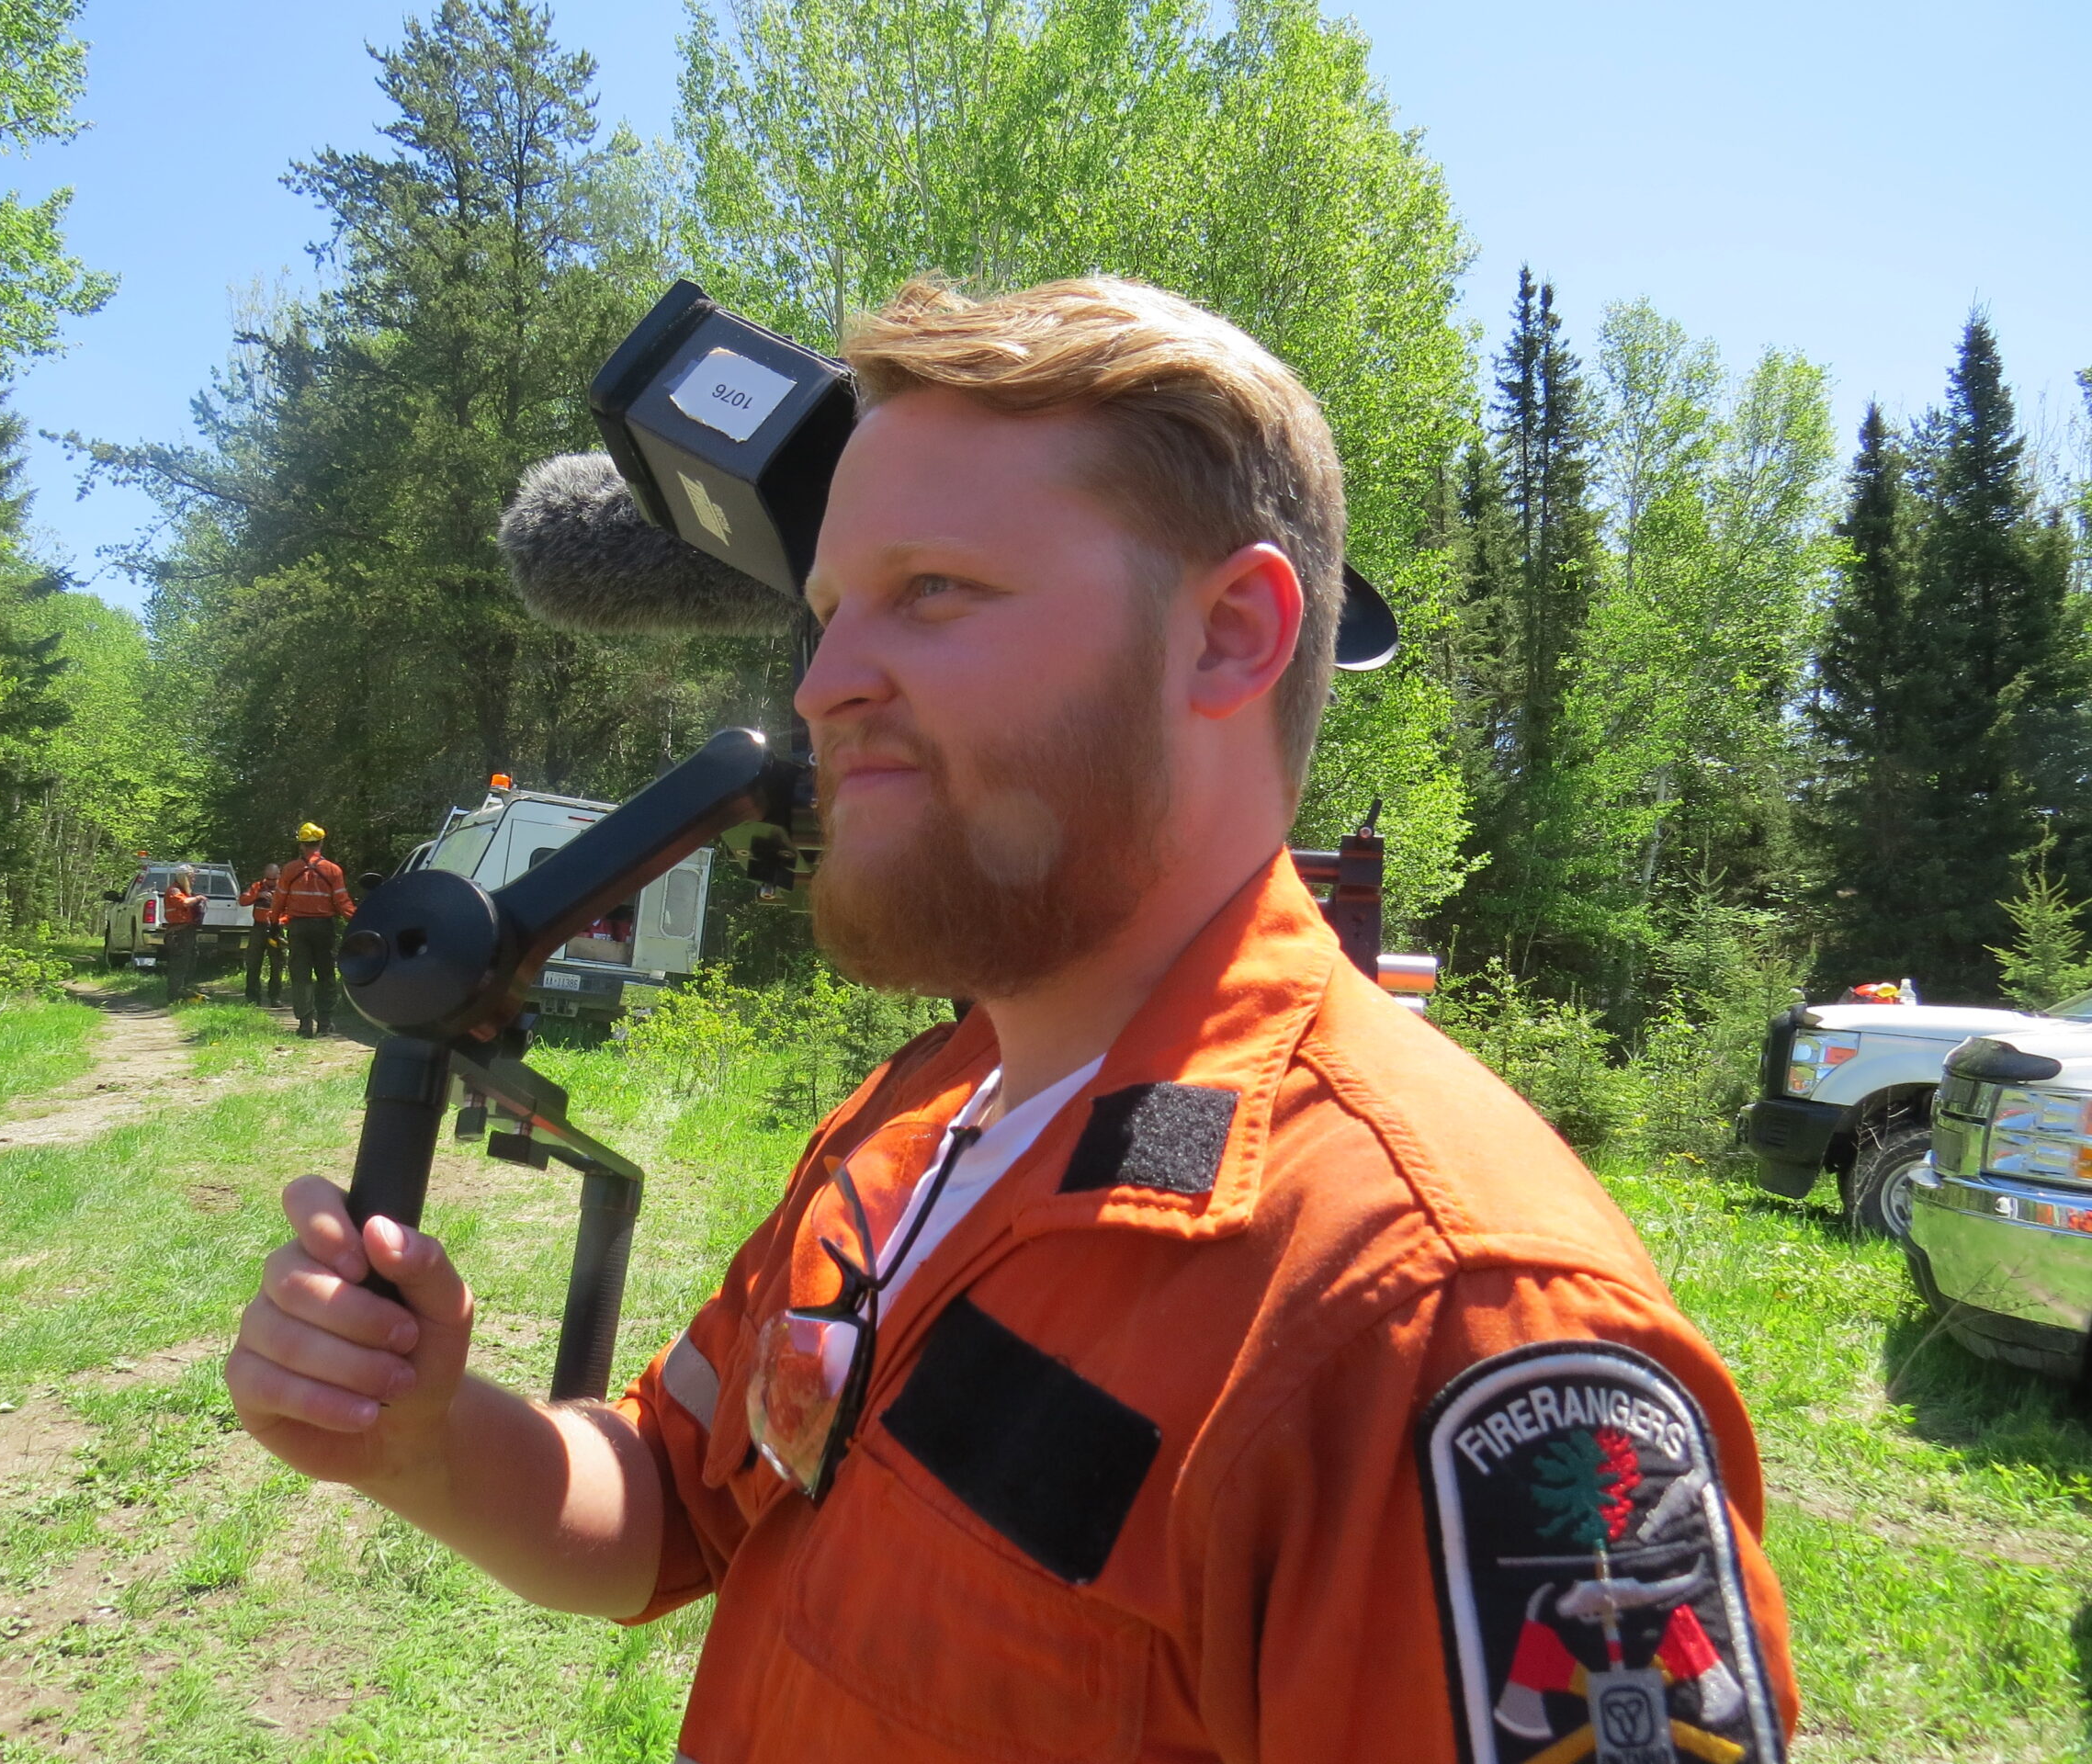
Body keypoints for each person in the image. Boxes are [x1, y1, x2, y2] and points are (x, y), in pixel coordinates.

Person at [228, 278, 1800, 1762]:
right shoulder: (916, 1125)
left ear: (1229, 636)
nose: (830, 679)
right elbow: (665, 1503)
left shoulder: (1447, 1323)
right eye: (832, 610)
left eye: (933, 593)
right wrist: (420, 1438)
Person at [278, 823, 355, 1039]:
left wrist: (274, 922)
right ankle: (324, 1023)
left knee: (300, 975)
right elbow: (343, 902)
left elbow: (279, 900)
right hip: (324, 928)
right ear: (321, 843)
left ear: (302, 845)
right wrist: (358, 920)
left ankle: (304, 1025)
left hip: (298, 928)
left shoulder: (290, 869)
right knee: (326, 974)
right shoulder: (333, 870)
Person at [241, 862, 285, 1007]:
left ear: (279, 875)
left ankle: (275, 997)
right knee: (254, 963)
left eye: (274, 879)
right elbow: (243, 900)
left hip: (276, 929)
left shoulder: (284, 887)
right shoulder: (257, 886)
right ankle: (253, 997)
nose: (271, 882)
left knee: (277, 964)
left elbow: (292, 907)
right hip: (258, 928)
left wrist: (281, 920)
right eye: (268, 879)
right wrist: (258, 895)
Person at [160, 866, 203, 1004]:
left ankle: (185, 994)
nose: (193, 879)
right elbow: (183, 902)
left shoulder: (186, 891)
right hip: (178, 933)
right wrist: (198, 899)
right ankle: (174, 997)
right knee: (179, 965)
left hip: (188, 931)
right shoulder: (175, 890)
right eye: (191, 877)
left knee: (190, 963)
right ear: (183, 877)